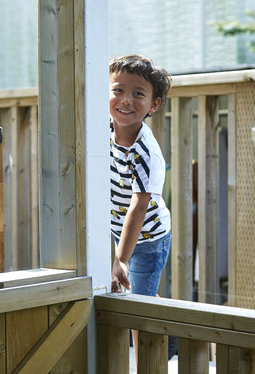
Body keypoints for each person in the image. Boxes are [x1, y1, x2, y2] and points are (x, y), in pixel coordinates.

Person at [109, 54, 172, 362]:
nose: (126, 100)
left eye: (138, 93)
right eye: (118, 90)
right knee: (141, 291)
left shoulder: (145, 151)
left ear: (154, 105)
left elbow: (139, 204)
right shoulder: (101, 131)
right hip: (120, 230)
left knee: (137, 305)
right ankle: (172, 333)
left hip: (148, 239)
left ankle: (145, 364)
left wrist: (120, 258)